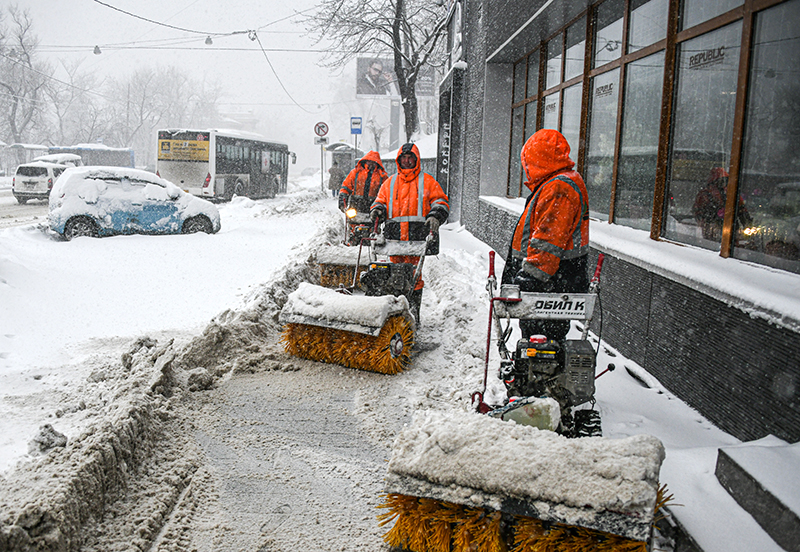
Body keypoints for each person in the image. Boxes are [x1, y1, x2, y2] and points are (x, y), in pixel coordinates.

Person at [500, 129, 590, 342]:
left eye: (528, 163)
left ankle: (540, 375)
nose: (527, 170)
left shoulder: (559, 188)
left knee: (542, 345)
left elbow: (547, 241)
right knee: (537, 344)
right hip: (553, 283)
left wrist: (529, 278)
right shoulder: (554, 184)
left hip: (551, 286)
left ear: (539, 159)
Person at [370, 143, 449, 324]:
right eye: (403, 158)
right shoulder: (389, 183)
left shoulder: (427, 182)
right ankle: (393, 312)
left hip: (417, 240)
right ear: (399, 160)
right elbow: (379, 200)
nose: (406, 161)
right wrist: (377, 210)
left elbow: (441, 202)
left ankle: (413, 313)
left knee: (414, 277)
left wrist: (435, 216)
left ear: (416, 159)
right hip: (394, 239)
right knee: (393, 274)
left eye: (410, 158)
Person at [693, 167, 752, 242]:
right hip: (714, 228)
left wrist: (746, 222)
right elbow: (698, 212)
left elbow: (741, 208)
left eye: (724, 180)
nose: (722, 183)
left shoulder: (731, 193)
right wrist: (712, 217)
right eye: (720, 180)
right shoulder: (705, 194)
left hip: (731, 227)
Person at [338, 151, 388, 215]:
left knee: (373, 224)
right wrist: (342, 199)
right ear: (365, 161)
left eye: (373, 162)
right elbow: (346, 187)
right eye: (369, 161)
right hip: (356, 207)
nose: (370, 164)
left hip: (373, 209)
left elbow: (386, 194)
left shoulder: (382, 176)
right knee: (352, 223)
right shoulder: (355, 173)